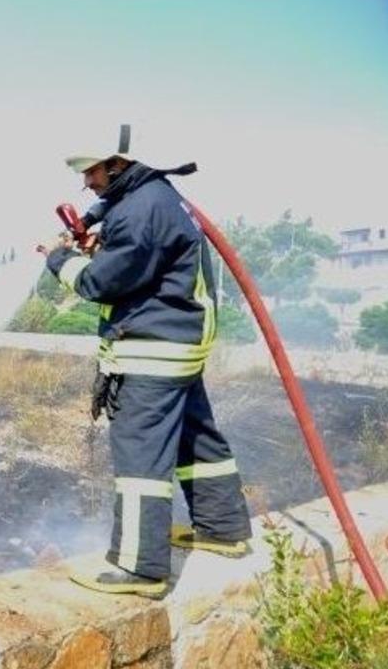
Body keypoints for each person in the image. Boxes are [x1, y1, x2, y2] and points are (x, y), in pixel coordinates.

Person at [42, 138, 252, 598]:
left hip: (151, 350)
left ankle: (141, 568)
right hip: (178, 343)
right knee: (196, 437)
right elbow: (140, 265)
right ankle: (223, 529)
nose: (87, 182)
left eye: (93, 172)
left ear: (118, 165)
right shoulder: (156, 199)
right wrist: (102, 241)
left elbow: (102, 282)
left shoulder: (142, 208)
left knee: (140, 454)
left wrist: (61, 260)